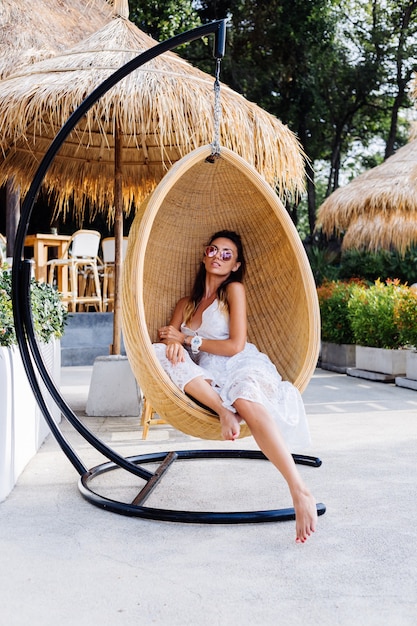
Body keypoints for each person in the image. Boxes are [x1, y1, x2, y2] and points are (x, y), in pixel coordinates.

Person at [153, 230, 317, 543]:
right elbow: (168, 338)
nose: (218, 257)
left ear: (236, 265)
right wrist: (173, 344)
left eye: (227, 254)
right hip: (207, 378)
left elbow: (234, 344)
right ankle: (221, 410)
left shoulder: (234, 291)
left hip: (241, 363)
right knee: (158, 352)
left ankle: (299, 489)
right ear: (204, 255)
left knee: (244, 397)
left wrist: (185, 339)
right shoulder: (185, 303)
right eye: (213, 250)